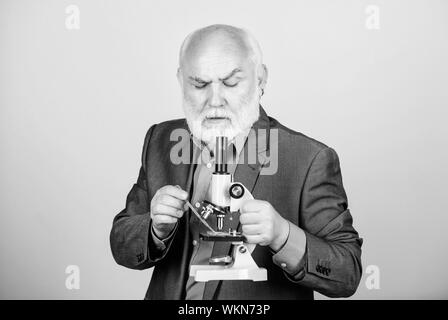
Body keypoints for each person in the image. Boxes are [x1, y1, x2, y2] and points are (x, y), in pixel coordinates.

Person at [110, 24, 363, 300]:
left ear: (261, 79)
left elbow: (346, 273)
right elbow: (121, 244)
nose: (215, 100)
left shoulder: (308, 158)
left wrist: (283, 235)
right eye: (199, 84)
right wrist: (154, 229)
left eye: (231, 83)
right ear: (181, 81)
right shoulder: (161, 140)